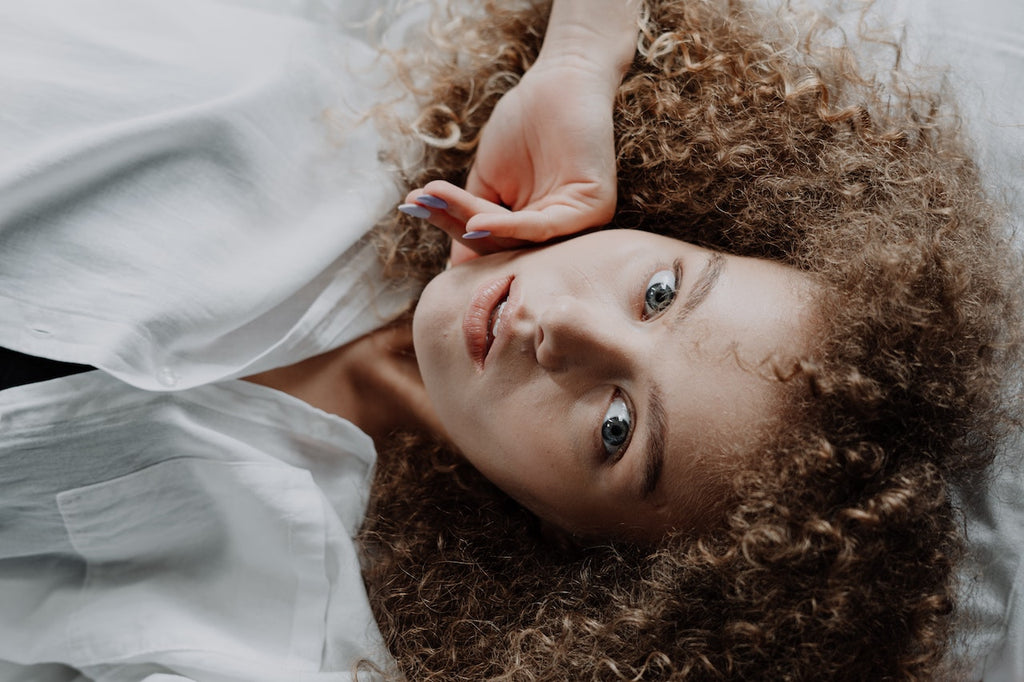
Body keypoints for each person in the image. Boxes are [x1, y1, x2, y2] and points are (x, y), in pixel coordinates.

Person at [0, 3, 1020, 682]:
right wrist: (579, 60)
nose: (559, 325)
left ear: (584, 550)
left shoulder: (279, 638)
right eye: (659, 290)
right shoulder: (312, 116)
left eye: (617, 427)